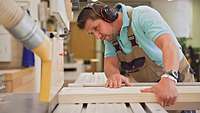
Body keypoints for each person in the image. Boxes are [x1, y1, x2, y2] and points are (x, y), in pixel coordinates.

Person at [77, 2, 195, 107]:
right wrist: (114, 75)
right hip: (151, 87)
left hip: (176, 77)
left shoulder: (142, 15)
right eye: (92, 34)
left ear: (108, 15)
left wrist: (169, 78)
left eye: (97, 28)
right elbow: (110, 64)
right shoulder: (110, 38)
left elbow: (168, 45)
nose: (98, 36)